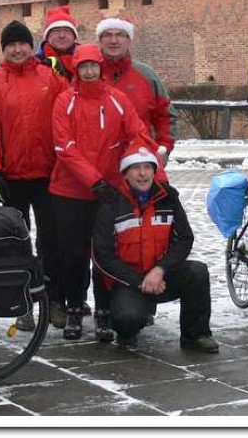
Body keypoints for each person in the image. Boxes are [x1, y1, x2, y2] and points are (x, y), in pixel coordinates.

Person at [49, 43, 159, 341]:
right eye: (82, 66)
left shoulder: (118, 100)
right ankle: (74, 306)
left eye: (93, 66)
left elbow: (137, 134)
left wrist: (145, 167)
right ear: (76, 69)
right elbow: (64, 146)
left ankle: (104, 309)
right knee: (72, 253)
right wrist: (94, 180)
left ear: (101, 68)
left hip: (109, 190)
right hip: (70, 190)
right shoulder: (65, 101)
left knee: (105, 253)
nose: (88, 71)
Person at [0, 20, 69, 330]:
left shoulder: (51, 78)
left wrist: (65, 161)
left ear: (32, 47)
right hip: (13, 176)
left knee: (51, 240)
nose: (17, 49)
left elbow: (65, 118)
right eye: (11, 45)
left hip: (48, 174)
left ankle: (55, 300)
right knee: (17, 243)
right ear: (3, 50)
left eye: (22, 44)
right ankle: (23, 305)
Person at [92, 147, 218, 352]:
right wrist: (140, 281)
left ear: (154, 171)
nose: (142, 174)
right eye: (135, 168)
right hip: (128, 282)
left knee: (197, 272)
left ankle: (197, 334)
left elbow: (185, 239)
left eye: (147, 168)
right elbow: (101, 256)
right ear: (125, 174)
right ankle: (127, 332)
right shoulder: (111, 204)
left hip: (161, 275)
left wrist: (160, 270)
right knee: (127, 319)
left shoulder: (167, 198)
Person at [96, 16, 177, 166]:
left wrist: (163, 148)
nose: (114, 40)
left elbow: (165, 116)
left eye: (120, 35)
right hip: (97, 163)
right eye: (107, 35)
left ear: (129, 40)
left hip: (139, 160)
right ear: (100, 40)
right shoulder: (87, 74)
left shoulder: (146, 74)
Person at [35, 3, 80, 81]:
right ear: (47, 36)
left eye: (67, 31)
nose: (62, 35)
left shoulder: (86, 61)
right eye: (56, 31)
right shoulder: (36, 63)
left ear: (74, 36)